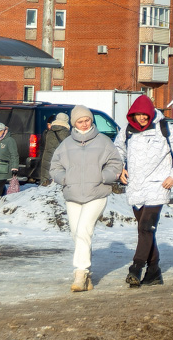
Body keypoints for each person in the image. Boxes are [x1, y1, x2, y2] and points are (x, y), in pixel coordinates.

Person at [115, 95, 173, 287]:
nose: (141, 118)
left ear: (151, 114)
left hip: (158, 186)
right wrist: (119, 170)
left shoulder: (164, 129)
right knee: (145, 232)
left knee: (145, 228)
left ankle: (136, 268)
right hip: (135, 187)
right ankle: (154, 272)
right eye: (138, 114)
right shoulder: (127, 131)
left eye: (144, 114)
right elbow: (117, 152)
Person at [49, 105, 123, 292]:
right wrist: (63, 179)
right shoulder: (66, 144)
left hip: (96, 193)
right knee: (77, 233)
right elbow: (55, 166)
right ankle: (87, 276)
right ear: (74, 123)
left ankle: (80, 273)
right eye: (80, 121)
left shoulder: (104, 141)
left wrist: (104, 177)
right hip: (73, 194)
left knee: (83, 229)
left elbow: (115, 163)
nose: (84, 124)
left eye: (87, 120)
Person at [38, 112, 71, 186]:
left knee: (45, 185)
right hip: (59, 162)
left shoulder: (48, 132)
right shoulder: (66, 133)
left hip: (46, 159)